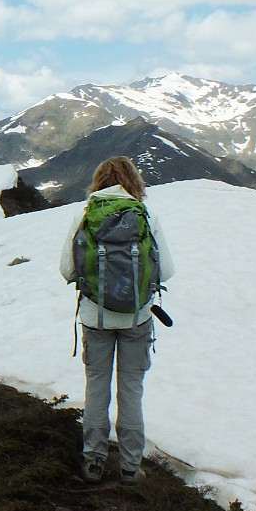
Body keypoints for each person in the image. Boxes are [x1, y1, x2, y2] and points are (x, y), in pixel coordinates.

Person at [59, 156, 174, 486]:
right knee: (131, 392)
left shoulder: (86, 215)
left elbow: (67, 269)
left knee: (96, 388)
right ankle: (130, 466)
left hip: (95, 318)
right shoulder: (145, 215)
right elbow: (166, 269)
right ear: (134, 180)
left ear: (97, 180)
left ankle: (94, 462)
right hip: (137, 319)